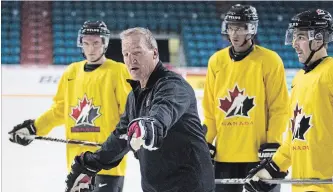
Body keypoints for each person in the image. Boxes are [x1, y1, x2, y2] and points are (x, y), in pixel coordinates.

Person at [63, 27, 215, 192]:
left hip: (189, 186)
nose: (130, 60)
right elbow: (120, 138)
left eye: (137, 53)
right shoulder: (135, 95)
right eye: (126, 54)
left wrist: (149, 125)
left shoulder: (173, 85)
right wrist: (89, 163)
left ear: (154, 54)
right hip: (155, 186)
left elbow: (163, 110)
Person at [8, 21, 131, 192]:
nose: (91, 48)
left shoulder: (118, 71)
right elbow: (60, 110)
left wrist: (128, 140)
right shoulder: (71, 72)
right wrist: (33, 128)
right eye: (86, 43)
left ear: (105, 43)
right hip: (77, 165)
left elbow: (129, 114)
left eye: (96, 43)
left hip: (107, 164)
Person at [202, 4, 289, 192]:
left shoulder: (270, 60)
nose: (235, 34)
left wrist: (273, 143)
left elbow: (279, 108)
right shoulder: (216, 61)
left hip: (259, 156)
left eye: (240, 28)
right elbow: (210, 111)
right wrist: (206, 141)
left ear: (252, 29)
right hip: (224, 157)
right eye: (231, 28)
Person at [244, 9, 333, 192]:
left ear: (318, 38)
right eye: (293, 37)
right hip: (301, 187)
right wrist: (273, 168)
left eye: (300, 37)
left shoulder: (331, 72)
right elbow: (295, 136)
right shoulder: (300, 79)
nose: (294, 44)